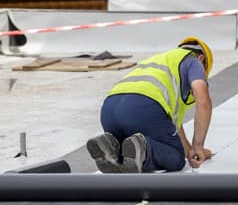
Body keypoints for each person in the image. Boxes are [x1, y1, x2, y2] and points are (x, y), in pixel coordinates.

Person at [86, 36, 213, 173]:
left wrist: (192, 151)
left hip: (109, 109)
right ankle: (143, 149)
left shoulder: (159, 61)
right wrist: (198, 146)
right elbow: (203, 101)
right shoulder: (194, 61)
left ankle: (110, 144)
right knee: (175, 159)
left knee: (129, 151)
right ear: (202, 59)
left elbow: (174, 129)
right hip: (143, 107)